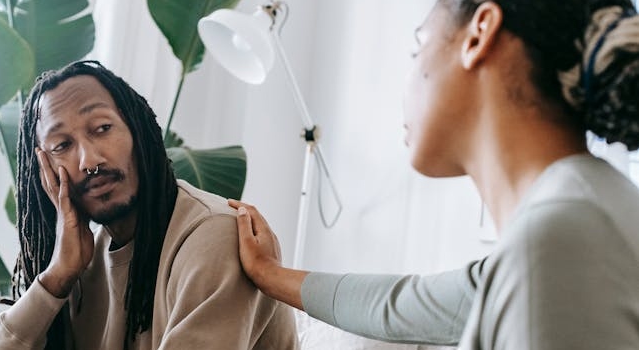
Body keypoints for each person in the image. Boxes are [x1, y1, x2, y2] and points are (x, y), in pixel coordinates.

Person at [230, 0, 639, 349]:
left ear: (479, 35)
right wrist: (269, 273)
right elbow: (400, 304)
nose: (405, 85)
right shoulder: (581, 213)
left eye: (417, 48)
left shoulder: (559, 240)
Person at [0, 60, 297, 350]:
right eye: (62, 144)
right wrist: (56, 279)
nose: (90, 160)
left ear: (137, 129)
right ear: (45, 172)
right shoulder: (81, 263)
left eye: (102, 128)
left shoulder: (215, 236)